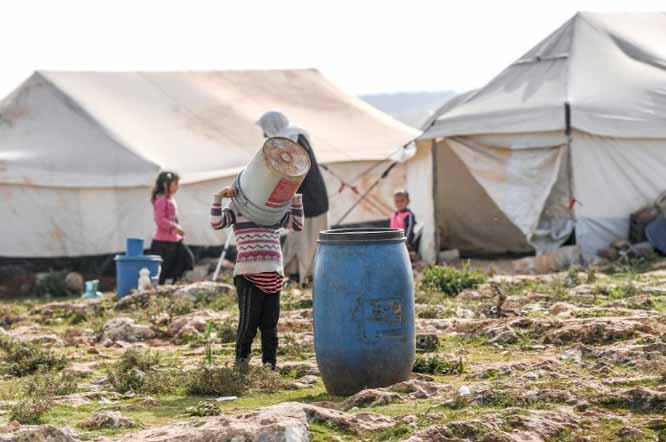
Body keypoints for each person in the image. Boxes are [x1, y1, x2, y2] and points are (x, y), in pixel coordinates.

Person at [210, 184, 303, 370]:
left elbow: (297, 224)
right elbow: (217, 223)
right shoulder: (238, 207)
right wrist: (218, 197)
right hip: (248, 275)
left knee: (270, 328)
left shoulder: (273, 210)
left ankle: (269, 368)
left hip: (274, 275)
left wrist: (295, 199)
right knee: (248, 326)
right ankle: (241, 366)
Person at [257, 111, 328, 284]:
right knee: (297, 239)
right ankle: (295, 275)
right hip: (303, 199)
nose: (264, 134)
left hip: (310, 200)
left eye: (265, 129)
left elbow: (294, 172)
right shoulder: (291, 138)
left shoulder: (291, 141)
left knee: (308, 242)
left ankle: (308, 278)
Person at [149, 171, 193, 284]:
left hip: (174, 240)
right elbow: (159, 220)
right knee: (162, 271)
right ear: (165, 184)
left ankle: (174, 284)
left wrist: (177, 230)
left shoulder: (170, 199)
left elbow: (172, 218)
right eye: (175, 184)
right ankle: (161, 291)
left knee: (186, 260)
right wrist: (175, 227)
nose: (177, 187)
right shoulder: (161, 199)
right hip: (163, 243)